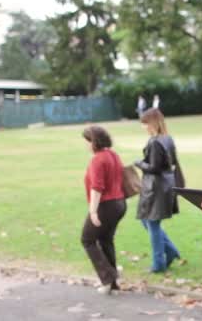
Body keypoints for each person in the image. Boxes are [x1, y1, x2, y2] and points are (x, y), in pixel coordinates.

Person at [134, 108, 181, 273]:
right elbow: (172, 164)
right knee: (149, 221)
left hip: (156, 188)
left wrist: (139, 163)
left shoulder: (155, 142)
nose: (143, 127)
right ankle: (171, 251)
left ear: (153, 122)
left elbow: (154, 167)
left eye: (145, 123)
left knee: (151, 223)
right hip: (166, 185)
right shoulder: (167, 139)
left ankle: (158, 264)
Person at [81, 125, 127, 294]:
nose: (86, 145)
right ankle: (113, 284)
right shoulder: (113, 155)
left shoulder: (98, 159)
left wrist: (93, 211)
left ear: (94, 142)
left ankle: (108, 277)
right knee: (106, 240)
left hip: (106, 205)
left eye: (87, 141)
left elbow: (97, 187)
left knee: (87, 239)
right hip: (119, 204)